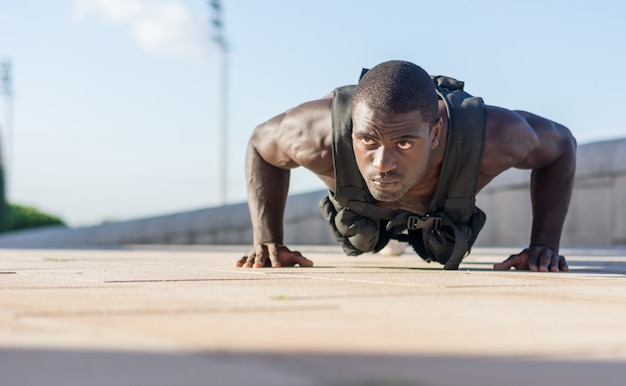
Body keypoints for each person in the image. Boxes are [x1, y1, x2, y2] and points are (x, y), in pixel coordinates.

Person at [236, 60, 576, 272]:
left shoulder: (495, 136)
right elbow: (260, 145)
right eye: (368, 141)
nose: (382, 163)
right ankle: (388, 236)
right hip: (361, 213)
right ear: (352, 128)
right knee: (363, 237)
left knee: (443, 246)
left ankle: (410, 235)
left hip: (442, 213)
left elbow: (562, 145)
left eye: (403, 143)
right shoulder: (314, 134)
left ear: (435, 132)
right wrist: (268, 240)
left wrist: (543, 246)